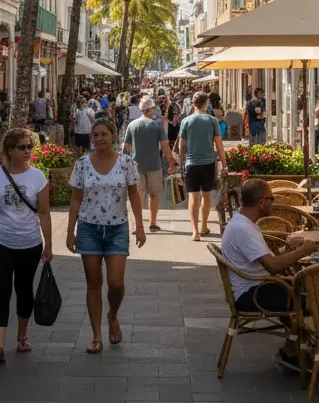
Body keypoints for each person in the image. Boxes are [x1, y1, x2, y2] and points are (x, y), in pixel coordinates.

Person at [0, 127, 53, 364]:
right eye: (22, 147)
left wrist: (49, 245)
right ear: (10, 150)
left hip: (29, 243)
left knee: (25, 290)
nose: (28, 151)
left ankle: (22, 335)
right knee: (1, 292)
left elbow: (45, 214)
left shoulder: (38, 177)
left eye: (30, 146)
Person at [221, 178, 319, 370]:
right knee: (313, 297)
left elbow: (267, 260)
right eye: (272, 198)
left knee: (306, 287)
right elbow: (273, 266)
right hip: (251, 293)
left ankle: (295, 347)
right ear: (262, 202)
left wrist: (289, 248)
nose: (274, 202)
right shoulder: (243, 229)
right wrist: (303, 251)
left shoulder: (245, 223)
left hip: (257, 285)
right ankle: (300, 349)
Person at [67, 119, 145, 353]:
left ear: (113, 136)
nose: (99, 139)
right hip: (89, 228)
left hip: (117, 228)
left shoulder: (126, 163)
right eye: (95, 135)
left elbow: (134, 194)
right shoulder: (82, 164)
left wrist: (140, 225)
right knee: (93, 283)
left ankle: (113, 315)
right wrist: (70, 231)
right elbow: (75, 200)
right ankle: (97, 336)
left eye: (104, 134)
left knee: (116, 283)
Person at [178, 91, 227, 241]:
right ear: (206, 104)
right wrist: (224, 164)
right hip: (208, 163)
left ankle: (195, 231)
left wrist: (181, 163)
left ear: (193, 104)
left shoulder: (186, 121)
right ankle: (204, 226)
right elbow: (219, 145)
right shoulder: (212, 121)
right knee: (206, 194)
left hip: (191, 163)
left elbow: (182, 145)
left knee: (193, 196)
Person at [122, 97, 176, 231]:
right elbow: (165, 147)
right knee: (154, 194)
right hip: (154, 165)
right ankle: (152, 222)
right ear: (151, 110)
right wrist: (171, 162)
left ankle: (138, 224)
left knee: (138, 196)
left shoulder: (132, 125)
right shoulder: (157, 125)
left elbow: (126, 147)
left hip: (136, 166)